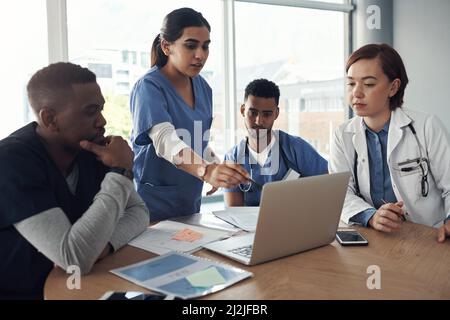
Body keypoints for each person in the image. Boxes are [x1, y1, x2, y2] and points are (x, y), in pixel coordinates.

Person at [0, 62, 150, 299]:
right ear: (50, 119)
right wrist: (120, 171)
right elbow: (74, 259)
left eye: (101, 109)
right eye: (90, 112)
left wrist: (105, 244)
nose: (101, 121)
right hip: (31, 292)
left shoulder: (93, 149)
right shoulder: (12, 161)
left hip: (90, 285)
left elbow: (139, 211)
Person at [130, 7, 249, 221]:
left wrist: (217, 167)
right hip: (152, 207)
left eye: (205, 47)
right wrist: (206, 170)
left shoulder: (204, 88)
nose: (200, 55)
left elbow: (196, 139)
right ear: (166, 46)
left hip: (189, 203)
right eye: (191, 45)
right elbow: (166, 140)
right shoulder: (149, 87)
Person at [329, 43, 450, 242]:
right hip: (376, 237)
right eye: (351, 83)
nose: (356, 93)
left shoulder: (427, 126)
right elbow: (340, 193)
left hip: (429, 236)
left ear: (393, 87)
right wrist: (371, 216)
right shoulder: (342, 135)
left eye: (368, 84)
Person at [223, 79, 328, 206]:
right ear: (242, 110)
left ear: (276, 114)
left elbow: (330, 186)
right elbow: (234, 214)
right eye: (253, 112)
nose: (258, 121)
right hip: (250, 226)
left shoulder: (296, 149)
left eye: (267, 114)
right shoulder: (233, 159)